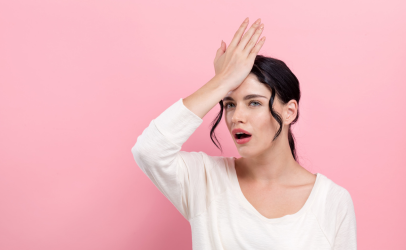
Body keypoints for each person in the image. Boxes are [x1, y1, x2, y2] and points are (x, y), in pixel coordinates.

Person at [131, 17, 357, 250]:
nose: (236, 117)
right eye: (229, 104)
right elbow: (149, 151)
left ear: (289, 112)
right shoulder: (206, 181)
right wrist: (222, 81)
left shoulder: (332, 202)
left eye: (254, 103)